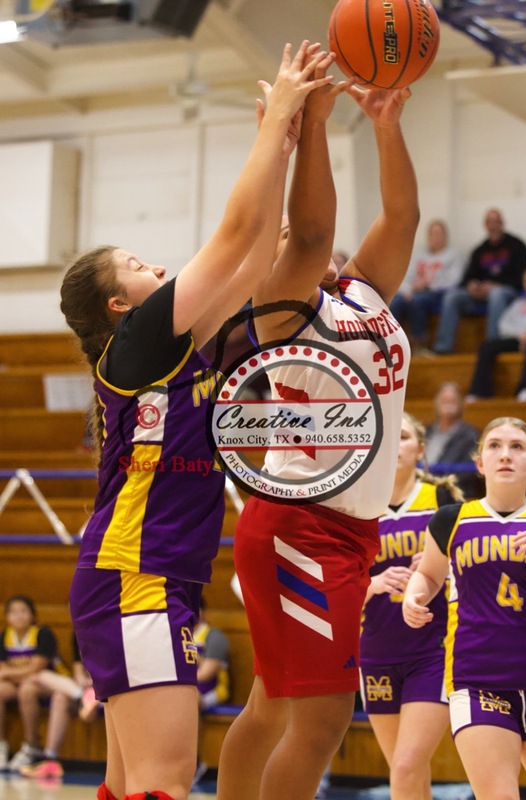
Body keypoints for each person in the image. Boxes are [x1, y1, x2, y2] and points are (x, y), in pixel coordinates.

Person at [59, 40, 335, 800]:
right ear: (121, 305)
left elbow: (253, 263)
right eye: (142, 266)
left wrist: (285, 146)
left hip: (146, 578)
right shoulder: (139, 339)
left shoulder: (180, 347)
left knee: (130, 785)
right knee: (164, 783)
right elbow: (238, 235)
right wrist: (275, 116)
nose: (159, 268)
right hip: (136, 580)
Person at [217, 59, 419, 800]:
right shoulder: (280, 309)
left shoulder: (358, 290)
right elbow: (309, 231)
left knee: (273, 702)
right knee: (326, 717)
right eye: (281, 240)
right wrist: (314, 134)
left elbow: (398, 219)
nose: (298, 241)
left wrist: (385, 126)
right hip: (300, 526)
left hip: (342, 529)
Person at [402, 417, 526, 800]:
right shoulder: (451, 520)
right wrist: (415, 594)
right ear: (479, 463)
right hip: (477, 680)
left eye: (517, 447)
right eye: (494, 446)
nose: (505, 454)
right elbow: (428, 574)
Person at [359, 412, 464, 800]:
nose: (394, 445)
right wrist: (369, 582)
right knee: (408, 774)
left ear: (420, 449)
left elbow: (475, 566)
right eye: (387, 437)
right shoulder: (359, 505)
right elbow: (333, 578)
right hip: (375, 650)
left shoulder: (441, 500)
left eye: (403, 437)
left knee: (405, 766)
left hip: (432, 649)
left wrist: (442, 568)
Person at [433, 208, 526, 354]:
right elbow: (467, 279)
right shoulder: (479, 250)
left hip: (507, 293)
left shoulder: (517, 246)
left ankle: (493, 345)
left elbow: (523, 278)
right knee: (452, 297)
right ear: (485, 225)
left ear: (502, 223)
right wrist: (472, 285)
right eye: (489, 222)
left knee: (496, 294)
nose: (493, 226)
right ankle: (443, 347)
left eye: (496, 222)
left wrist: (497, 285)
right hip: (480, 295)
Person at [18, 632, 101, 779]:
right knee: (59, 696)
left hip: (107, 690)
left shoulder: (110, 629)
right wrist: (85, 683)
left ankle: (86, 698)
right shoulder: (78, 633)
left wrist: (95, 684)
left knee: (41, 677)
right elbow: (78, 670)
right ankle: (50, 759)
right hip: (86, 689)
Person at [0, 595, 68, 772]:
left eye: (23, 611)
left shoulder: (43, 634)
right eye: (13, 612)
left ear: (33, 615)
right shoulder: (4, 636)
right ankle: (1, 746)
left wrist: (10, 672)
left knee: (27, 689)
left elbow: (37, 669)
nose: (19, 616)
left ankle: (32, 746)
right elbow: (2, 672)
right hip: (21, 682)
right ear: (7, 616)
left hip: (52, 683)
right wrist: (16, 673)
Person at [389, 219, 464, 354]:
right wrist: (407, 291)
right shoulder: (419, 254)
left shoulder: (454, 254)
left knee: (418, 302)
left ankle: (419, 344)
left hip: (438, 293)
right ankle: (389, 342)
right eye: (433, 234)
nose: (436, 237)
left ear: (445, 236)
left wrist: (427, 285)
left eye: (439, 233)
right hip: (415, 291)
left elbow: (454, 280)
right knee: (396, 301)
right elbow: (406, 275)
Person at [467, 265, 526, 402]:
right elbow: (504, 324)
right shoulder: (518, 304)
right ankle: (480, 391)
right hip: (516, 339)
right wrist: (520, 335)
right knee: (487, 346)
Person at [193, 596, 230, 787]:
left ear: (203, 612)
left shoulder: (214, 637)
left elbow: (206, 674)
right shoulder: (177, 634)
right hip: (189, 689)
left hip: (215, 691)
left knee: (189, 701)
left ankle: (195, 762)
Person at [424, 382, 481, 499]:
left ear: (460, 404)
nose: (448, 405)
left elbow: (467, 473)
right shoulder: (426, 431)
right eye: (445, 400)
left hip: (452, 494)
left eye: (452, 401)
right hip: (422, 489)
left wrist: (437, 483)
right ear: (436, 403)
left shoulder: (470, 434)